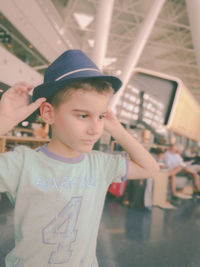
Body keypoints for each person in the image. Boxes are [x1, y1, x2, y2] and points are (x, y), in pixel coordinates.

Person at [0, 49, 159, 267]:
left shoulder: (100, 164)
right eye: (83, 115)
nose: (95, 129)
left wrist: (118, 130)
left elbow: (151, 169)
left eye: (100, 116)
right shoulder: (22, 163)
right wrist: (5, 121)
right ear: (48, 113)